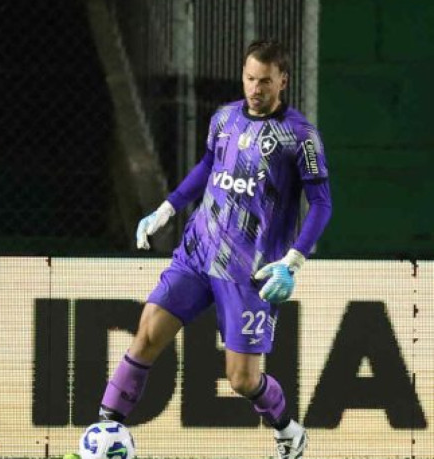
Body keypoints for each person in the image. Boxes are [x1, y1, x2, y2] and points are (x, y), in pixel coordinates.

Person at [97, 40, 332, 459]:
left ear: (283, 81)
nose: (255, 88)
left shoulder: (299, 136)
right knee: (146, 334)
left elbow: (321, 204)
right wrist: (168, 208)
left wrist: (292, 263)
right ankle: (103, 433)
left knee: (242, 379)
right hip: (198, 251)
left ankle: (289, 432)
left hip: (250, 268)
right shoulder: (224, 118)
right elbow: (209, 165)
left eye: (265, 81)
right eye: (249, 78)